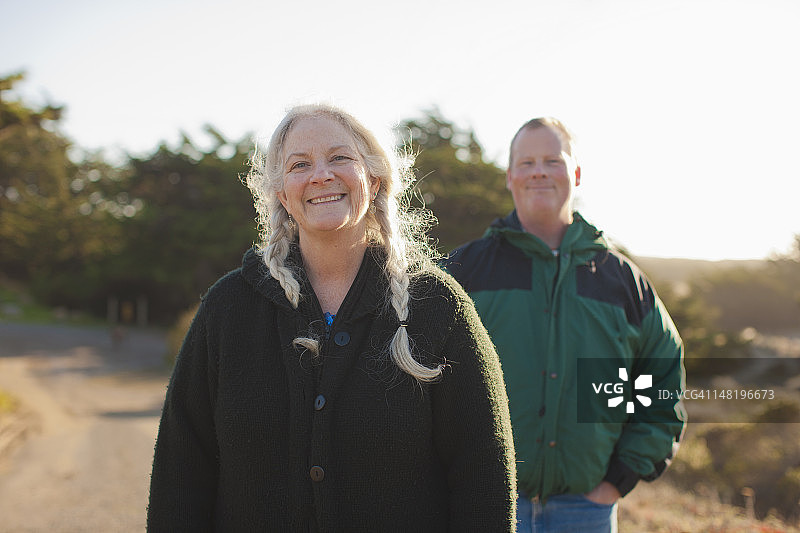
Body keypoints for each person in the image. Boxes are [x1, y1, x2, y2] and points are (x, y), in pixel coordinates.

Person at [147, 104, 517, 532]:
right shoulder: (227, 308)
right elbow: (180, 475)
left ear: (374, 179)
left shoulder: (437, 306)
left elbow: (483, 477)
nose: (321, 175)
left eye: (340, 158)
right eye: (300, 164)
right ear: (282, 194)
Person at [442, 117, 686, 532]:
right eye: (527, 161)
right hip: (485, 506)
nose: (539, 171)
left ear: (575, 173)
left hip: (586, 511)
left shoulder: (623, 282)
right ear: (510, 176)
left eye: (552, 161)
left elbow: (663, 378)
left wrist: (618, 479)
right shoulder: (463, 272)